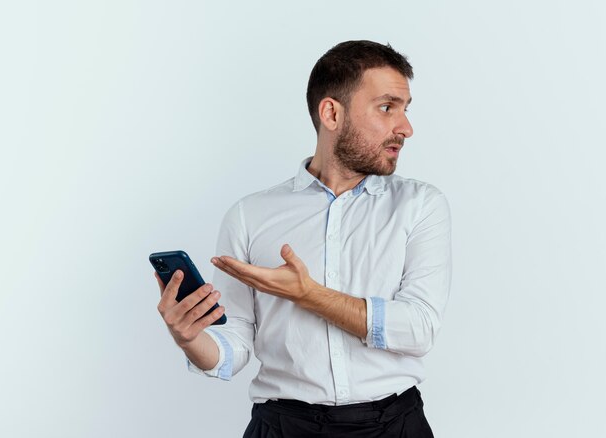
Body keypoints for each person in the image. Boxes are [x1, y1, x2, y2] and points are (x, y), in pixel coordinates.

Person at [156, 40, 452, 437]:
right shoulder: (249, 215)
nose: (406, 127)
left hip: (394, 426)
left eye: (405, 108)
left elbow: (417, 329)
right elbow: (232, 346)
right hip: (282, 428)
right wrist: (189, 338)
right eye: (387, 107)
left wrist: (307, 294)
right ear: (331, 113)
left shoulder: (420, 206)